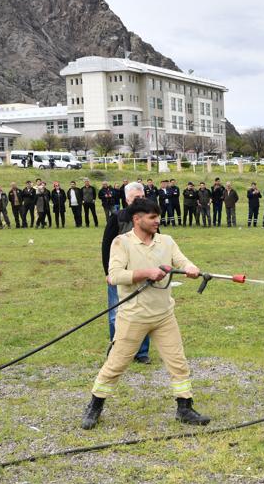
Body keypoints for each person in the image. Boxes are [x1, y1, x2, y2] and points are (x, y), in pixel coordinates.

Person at [82, 198, 211, 430]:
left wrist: (191, 268)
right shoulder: (121, 243)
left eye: (158, 216)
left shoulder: (166, 241)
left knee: (178, 362)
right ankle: (95, 406)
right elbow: (114, 275)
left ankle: (185, 408)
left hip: (164, 315)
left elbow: (182, 261)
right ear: (137, 219)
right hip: (133, 316)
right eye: (152, 217)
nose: (157, 221)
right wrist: (145, 273)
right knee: (116, 363)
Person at [101, 182, 152, 366]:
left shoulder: (150, 218)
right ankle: (118, 351)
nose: (139, 201)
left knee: (143, 313)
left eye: (142, 197)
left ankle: (142, 352)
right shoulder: (117, 217)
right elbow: (106, 246)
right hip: (120, 275)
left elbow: (157, 244)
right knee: (117, 313)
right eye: (135, 198)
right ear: (127, 199)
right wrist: (109, 272)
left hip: (143, 274)